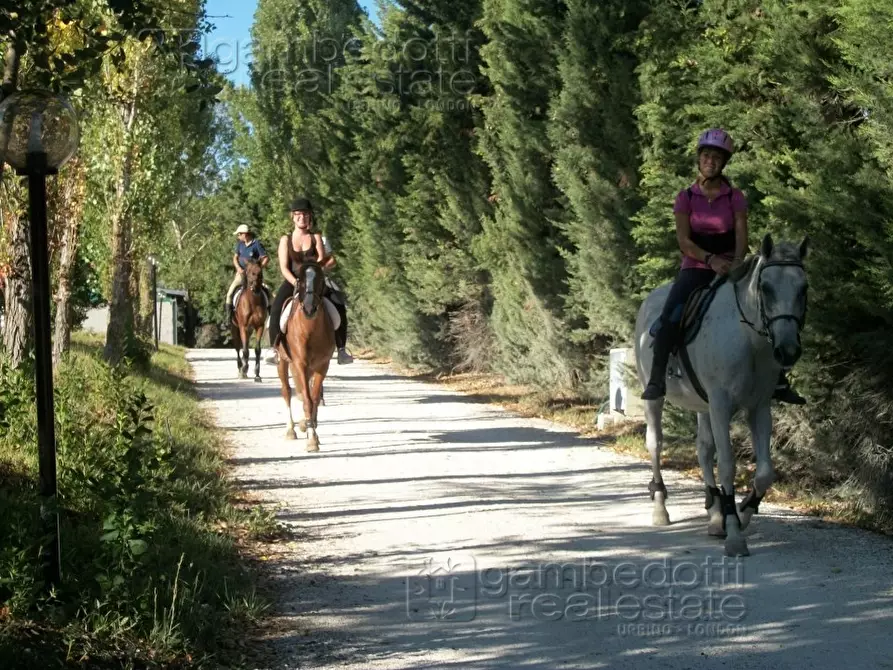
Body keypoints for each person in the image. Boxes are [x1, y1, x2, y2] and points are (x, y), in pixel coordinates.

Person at [640, 128, 806, 405]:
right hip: (696, 266)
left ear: (723, 163)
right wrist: (709, 260)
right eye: (706, 156)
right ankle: (657, 377)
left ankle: (778, 379)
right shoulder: (686, 198)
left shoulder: (734, 197)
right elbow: (684, 241)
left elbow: (742, 234)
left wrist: (738, 262)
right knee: (672, 313)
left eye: (716, 157)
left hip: (731, 266)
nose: (710, 161)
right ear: (699, 159)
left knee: (762, 309)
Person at [266, 197, 353, 365]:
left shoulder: (316, 238)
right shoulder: (285, 240)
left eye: (305, 214)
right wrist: (296, 283)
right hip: (293, 281)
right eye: (298, 214)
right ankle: (274, 348)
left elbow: (321, 259)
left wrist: (319, 272)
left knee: (338, 304)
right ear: (292, 217)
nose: (302, 218)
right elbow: (284, 267)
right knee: (276, 308)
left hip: (314, 280)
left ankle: (342, 349)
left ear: (310, 216)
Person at [223, 224, 270, 327]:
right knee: (230, 293)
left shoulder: (256, 244)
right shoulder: (240, 244)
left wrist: (258, 269)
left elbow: (266, 258)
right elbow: (235, 258)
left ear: (245, 234)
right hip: (241, 274)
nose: (238, 236)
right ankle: (227, 320)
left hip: (254, 276)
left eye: (239, 234)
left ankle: (270, 317)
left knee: (268, 291)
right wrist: (238, 268)